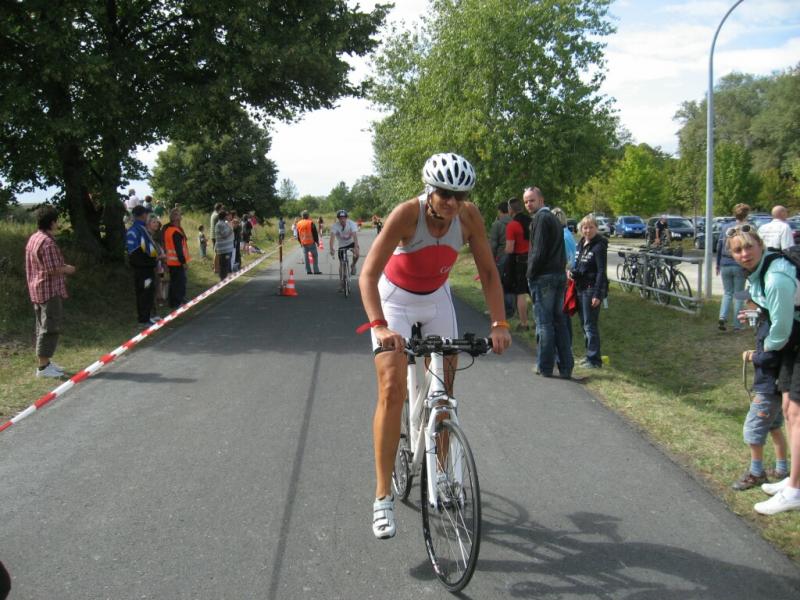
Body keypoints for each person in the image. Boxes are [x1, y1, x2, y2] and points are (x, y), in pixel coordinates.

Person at [359, 152, 512, 539]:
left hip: (436, 299)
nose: (452, 203)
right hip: (395, 300)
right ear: (429, 190)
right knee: (392, 389)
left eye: (460, 196)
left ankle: (442, 475)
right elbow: (368, 275)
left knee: (444, 393)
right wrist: (379, 326)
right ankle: (382, 497)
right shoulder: (406, 215)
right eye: (445, 194)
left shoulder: (469, 217)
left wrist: (499, 323)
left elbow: (488, 271)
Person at [725, 225, 800, 514]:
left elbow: (780, 330)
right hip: (793, 342)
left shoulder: (776, 275)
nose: (744, 253)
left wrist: (760, 352)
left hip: (791, 339)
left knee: (796, 413)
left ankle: (794, 490)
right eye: (737, 249)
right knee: (789, 410)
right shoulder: (758, 272)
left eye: (749, 246)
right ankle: (793, 480)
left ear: (760, 245)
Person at [526, 186, 574, 379]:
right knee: (560, 323)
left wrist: (530, 274)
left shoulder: (541, 219)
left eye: (532, 200)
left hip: (544, 276)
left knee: (545, 324)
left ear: (541, 200)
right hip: (558, 275)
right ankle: (566, 367)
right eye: (526, 201)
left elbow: (538, 251)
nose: (529, 204)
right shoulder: (554, 219)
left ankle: (545, 366)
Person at [735, 317, 788, 490]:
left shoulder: (770, 324)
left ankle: (756, 473)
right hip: (779, 386)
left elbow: (771, 357)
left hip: (768, 388)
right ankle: (781, 469)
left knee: (754, 429)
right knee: (774, 426)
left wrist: (752, 356)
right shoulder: (781, 321)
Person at [25, 206, 76, 378]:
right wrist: (68, 269)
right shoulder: (48, 243)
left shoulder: (34, 238)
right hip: (49, 290)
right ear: (52, 222)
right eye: (57, 221)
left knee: (42, 326)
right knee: (50, 327)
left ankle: (46, 362)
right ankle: (43, 367)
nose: (58, 223)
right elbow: (53, 269)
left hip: (37, 289)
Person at [570, 215, 608, 369]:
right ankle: (589, 356)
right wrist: (573, 272)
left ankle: (594, 360)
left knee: (590, 325)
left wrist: (597, 294)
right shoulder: (581, 243)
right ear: (580, 229)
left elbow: (601, 272)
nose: (588, 230)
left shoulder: (599, 246)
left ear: (596, 228)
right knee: (584, 324)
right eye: (585, 227)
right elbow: (579, 265)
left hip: (591, 289)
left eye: (591, 227)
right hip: (580, 288)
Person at [716, 203, 750, 331]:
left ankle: (722, 316)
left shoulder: (726, 227)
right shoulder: (747, 228)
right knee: (739, 295)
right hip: (739, 264)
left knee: (727, 293)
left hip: (725, 263)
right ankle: (737, 325)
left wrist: (718, 264)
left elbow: (719, 246)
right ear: (746, 215)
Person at [126, 205, 161, 327]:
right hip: (143, 268)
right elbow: (138, 251)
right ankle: (144, 319)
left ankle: (147, 316)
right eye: (146, 214)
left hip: (145, 267)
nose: (147, 216)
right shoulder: (137, 230)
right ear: (143, 215)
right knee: (145, 292)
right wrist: (151, 261)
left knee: (147, 291)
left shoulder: (139, 229)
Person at [504, 197, 532, 330]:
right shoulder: (531, 222)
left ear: (511, 210)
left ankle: (524, 323)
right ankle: (540, 321)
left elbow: (510, 248)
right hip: (533, 259)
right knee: (533, 291)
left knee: (521, 293)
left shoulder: (512, 225)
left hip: (519, 262)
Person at [489, 200, 514, 318]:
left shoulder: (497, 224)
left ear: (500, 211)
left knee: (498, 284)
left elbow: (493, 244)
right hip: (515, 257)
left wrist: (491, 259)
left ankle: (501, 309)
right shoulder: (515, 222)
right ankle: (512, 309)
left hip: (501, 256)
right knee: (511, 283)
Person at [163, 208, 191, 308]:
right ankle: (177, 302)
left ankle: (173, 302)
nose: (181, 217)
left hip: (171, 261)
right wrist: (183, 262)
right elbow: (178, 249)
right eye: (179, 215)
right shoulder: (175, 231)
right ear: (175, 218)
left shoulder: (168, 230)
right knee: (179, 283)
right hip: (177, 262)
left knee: (174, 282)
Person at [329, 209, 360, 289]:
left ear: (346, 218)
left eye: (344, 218)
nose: (342, 220)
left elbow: (355, 236)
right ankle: (341, 283)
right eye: (340, 218)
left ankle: (353, 265)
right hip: (342, 245)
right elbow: (332, 238)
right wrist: (331, 248)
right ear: (338, 219)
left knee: (357, 254)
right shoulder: (335, 226)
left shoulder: (352, 224)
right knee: (342, 264)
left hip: (351, 242)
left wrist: (356, 247)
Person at [297, 210, 321, 274]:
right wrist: (317, 241)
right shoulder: (311, 223)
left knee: (306, 257)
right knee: (315, 256)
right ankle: (316, 271)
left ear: (302, 216)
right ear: (308, 216)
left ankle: (308, 271)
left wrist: (300, 242)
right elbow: (315, 233)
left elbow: (298, 234)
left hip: (304, 243)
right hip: (311, 242)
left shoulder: (298, 223)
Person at [214, 210, 234, 280]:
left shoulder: (224, 223)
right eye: (227, 215)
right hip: (224, 249)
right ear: (224, 216)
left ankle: (224, 279)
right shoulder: (220, 224)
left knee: (225, 265)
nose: (228, 217)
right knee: (223, 266)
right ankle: (223, 280)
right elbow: (225, 235)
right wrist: (231, 229)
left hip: (227, 249)